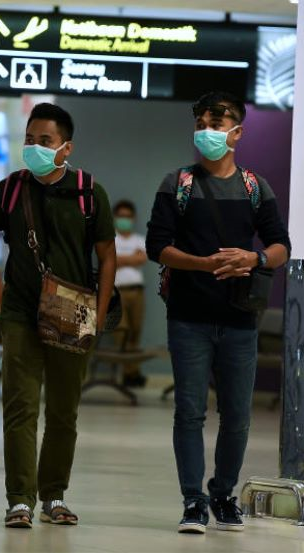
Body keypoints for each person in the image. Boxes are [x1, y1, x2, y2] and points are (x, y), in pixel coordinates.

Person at [0, 103, 116, 528]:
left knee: (64, 411)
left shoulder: (90, 193)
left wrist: (99, 313)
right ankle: (19, 499)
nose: (34, 147)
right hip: (20, 311)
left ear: (66, 148)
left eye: (44, 141)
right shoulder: (11, 189)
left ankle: (54, 495)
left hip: (73, 313)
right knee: (20, 406)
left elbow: (107, 257)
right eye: (29, 139)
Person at [146, 91, 290, 534]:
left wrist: (254, 259)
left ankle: (223, 495)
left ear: (237, 132)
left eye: (216, 123)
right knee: (189, 411)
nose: (206, 131)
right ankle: (193, 500)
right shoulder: (177, 184)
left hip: (240, 319)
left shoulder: (254, 187)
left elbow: (281, 246)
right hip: (188, 317)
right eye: (200, 124)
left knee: (238, 416)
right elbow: (157, 246)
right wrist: (203, 263)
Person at [112, 199, 148, 387]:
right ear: (115, 217)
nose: (124, 219)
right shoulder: (110, 239)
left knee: (135, 332)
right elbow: (110, 261)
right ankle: (130, 373)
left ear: (133, 218)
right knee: (121, 332)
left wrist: (120, 259)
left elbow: (141, 259)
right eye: (121, 216)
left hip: (137, 292)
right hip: (116, 293)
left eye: (128, 216)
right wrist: (131, 258)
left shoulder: (139, 240)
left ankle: (131, 373)